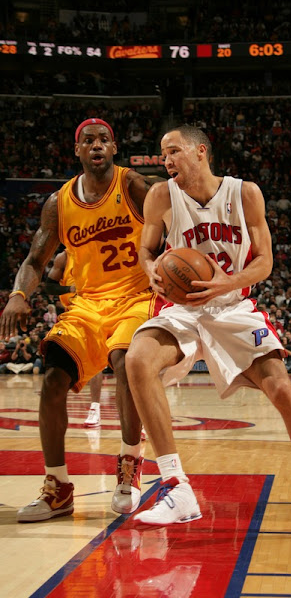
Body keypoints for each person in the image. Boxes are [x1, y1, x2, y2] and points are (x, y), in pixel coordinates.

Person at [125, 125, 291, 542]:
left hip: (232, 307)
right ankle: (176, 488)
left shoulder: (245, 193)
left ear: (200, 151)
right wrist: (151, 270)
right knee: (137, 359)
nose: (166, 160)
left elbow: (265, 261)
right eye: (163, 154)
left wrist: (226, 283)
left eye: (173, 151)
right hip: (182, 308)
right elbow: (146, 249)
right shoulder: (161, 195)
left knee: (283, 392)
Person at [0, 118, 164, 522]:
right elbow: (35, 260)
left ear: (114, 147)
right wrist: (18, 295)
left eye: (103, 139)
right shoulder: (59, 203)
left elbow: (172, 226)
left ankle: (129, 465)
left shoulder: (132, 185)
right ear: (77, 150)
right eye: (88, 140)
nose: (96, 145)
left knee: (125, 361)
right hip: (88, 304)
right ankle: (58, 488)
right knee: (53, 379)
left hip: (136, 297)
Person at [45, 250, 103, 428]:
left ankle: (139, 419)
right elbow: (49, 286)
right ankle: (92, 408)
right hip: (73, 315)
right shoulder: (64, 257)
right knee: (56, 366)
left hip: (99, 309)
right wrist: (69, 289)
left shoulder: (97, 250)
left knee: (121, 363)